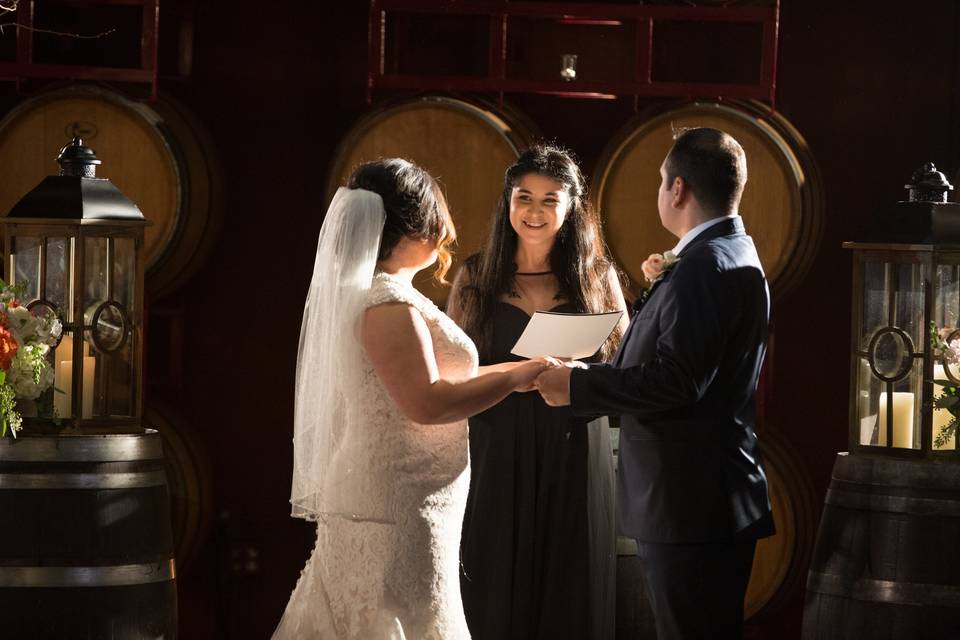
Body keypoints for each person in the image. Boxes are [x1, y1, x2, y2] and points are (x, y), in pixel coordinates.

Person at [273, 158, 555, 639]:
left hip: (411, 494)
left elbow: (437, 377)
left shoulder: (388, 294)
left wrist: (515, 370)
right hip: (394, 499)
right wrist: (511, 381)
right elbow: (426, 403)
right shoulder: (386, 305)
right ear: (416, 224)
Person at [537, 128, 775, 640]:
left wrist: (576, 389)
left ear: (679, 189)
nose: (661, 189)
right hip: (704, 496)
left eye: (661, 179)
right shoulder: (727, 252)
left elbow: (678, 380)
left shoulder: (705, 267)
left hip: (689, 502)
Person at [447, 144, 628, 640]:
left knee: (572, 590)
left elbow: (625, 374)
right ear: (507, 203)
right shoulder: (474, 278)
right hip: (495, 447)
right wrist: (510, 372)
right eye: (524, 197)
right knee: (493, 588)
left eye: (550, 200)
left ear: (571, 209)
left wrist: (579, 373)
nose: (534, 211)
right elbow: (450, 375)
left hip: (574, 447)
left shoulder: (597, 279)